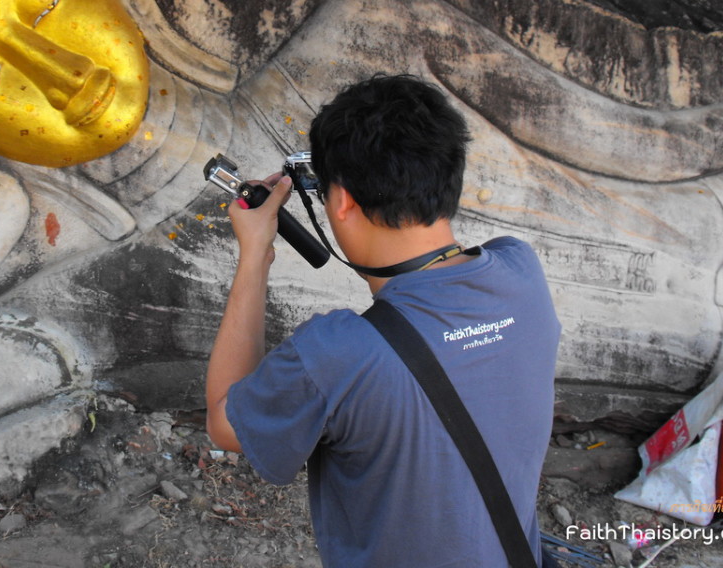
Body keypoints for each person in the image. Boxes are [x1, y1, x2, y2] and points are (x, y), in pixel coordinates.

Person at [206, 74, 562, 567]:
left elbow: (226, 422)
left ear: (344, 202)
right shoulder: (520, 271)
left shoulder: (339, 355)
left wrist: (254, 255)